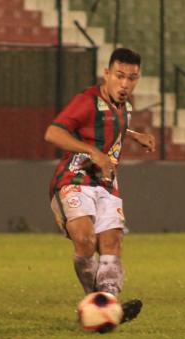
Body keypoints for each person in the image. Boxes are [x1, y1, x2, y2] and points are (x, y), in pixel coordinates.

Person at [44, 48, 155, 324]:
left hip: (106, 183)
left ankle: (106, 305)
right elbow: (53, 132)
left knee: (112, 243)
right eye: (119, 76)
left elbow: (110, 124)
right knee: (84, 239)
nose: (125, 84)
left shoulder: (123, 106)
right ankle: (99, 302)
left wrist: (134, 134)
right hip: (74, 179)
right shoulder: (86, 101)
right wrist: (93, 153)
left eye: (132, 78)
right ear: (107, 74)